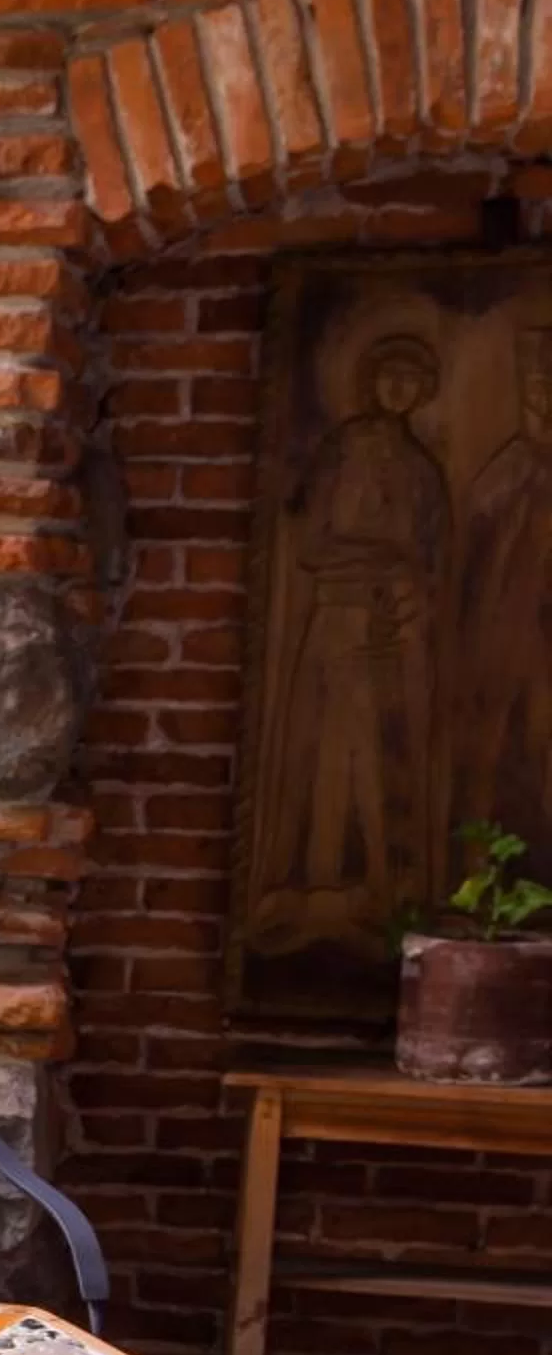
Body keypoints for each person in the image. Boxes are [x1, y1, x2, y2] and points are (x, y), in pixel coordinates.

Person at [251, 331, 448, 955]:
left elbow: (433, 560)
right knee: (326, 749)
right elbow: (310, 543)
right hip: (336, 618)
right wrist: (380, 562)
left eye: (411, 379)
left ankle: (382, 895)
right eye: (390, 375)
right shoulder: (340, 452)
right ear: (370, 380)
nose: (399, 389)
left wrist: (409, 587)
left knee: (382, 754)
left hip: (389, 630)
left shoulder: (422, 469)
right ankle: (313, 886)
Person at [451, 325, 552, 886]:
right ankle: (477, 873)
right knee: (493, 748)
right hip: (509, 633)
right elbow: (475, 536)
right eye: (538, 388)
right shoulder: (512, 466)